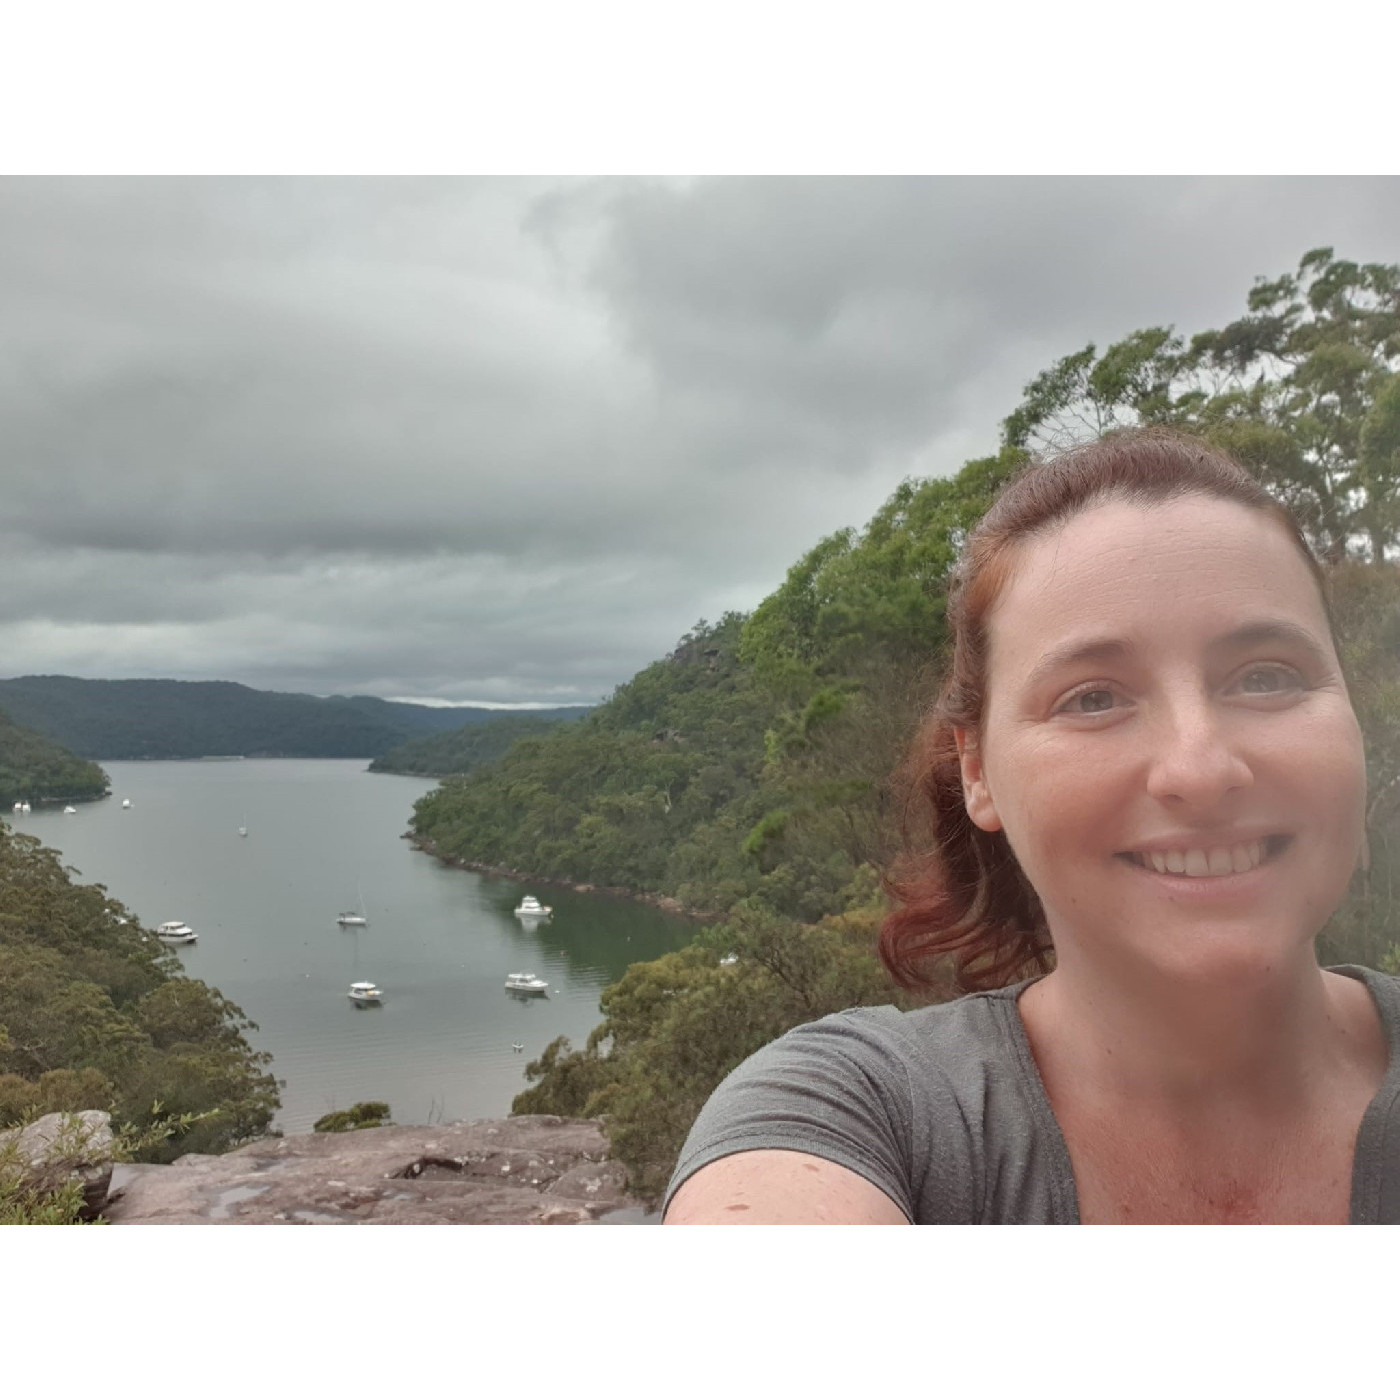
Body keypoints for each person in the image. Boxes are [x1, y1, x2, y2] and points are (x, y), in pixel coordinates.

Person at [664, 429, 1400, 1224]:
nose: (1200, 769)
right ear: (977, 769)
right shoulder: (864, 1112)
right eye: (1093, 697)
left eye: (1266, 676)